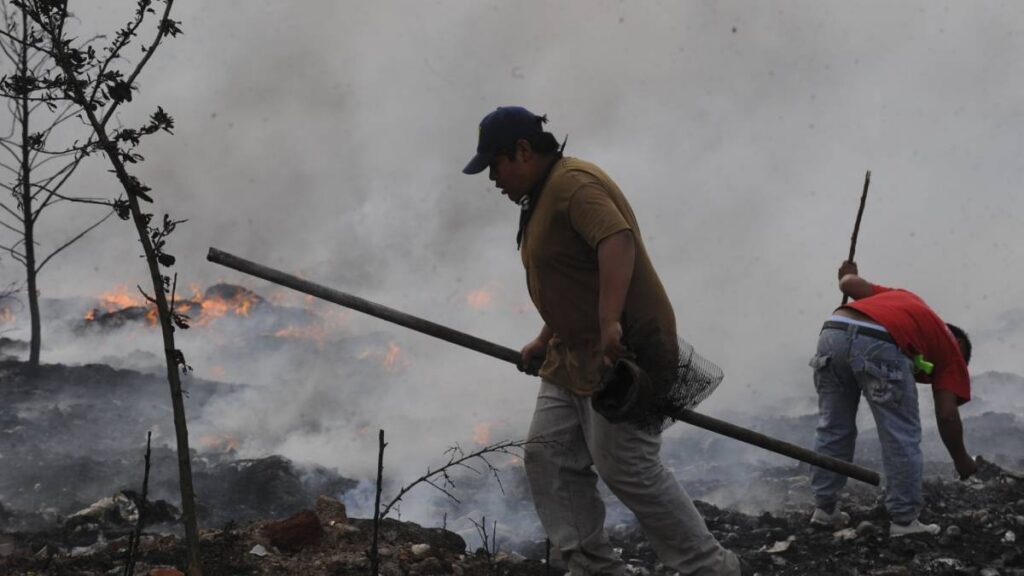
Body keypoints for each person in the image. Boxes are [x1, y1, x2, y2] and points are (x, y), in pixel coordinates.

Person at [463, 106, 739, 575]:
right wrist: (544, 335)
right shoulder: (542, 195)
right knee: (548, 457)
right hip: (570, 354)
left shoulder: (573, 184)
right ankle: (591, 567)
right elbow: (571, 274)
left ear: (523, 152)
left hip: (621, 355)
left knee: (629, 469)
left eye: (496, 164)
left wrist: (611, 321)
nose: (493, 178)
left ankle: (710, 567)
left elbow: (616, 240)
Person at [809, 260, 977, 537]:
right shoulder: (952, 352)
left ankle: (824, 510)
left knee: (833, 425)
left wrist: (848, 273)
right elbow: (947, 414)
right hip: (881, 341)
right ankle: (904, 521)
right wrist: (962, 460)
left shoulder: (906, 299)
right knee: (900, 435)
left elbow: (849, 285)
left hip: (833, 331)